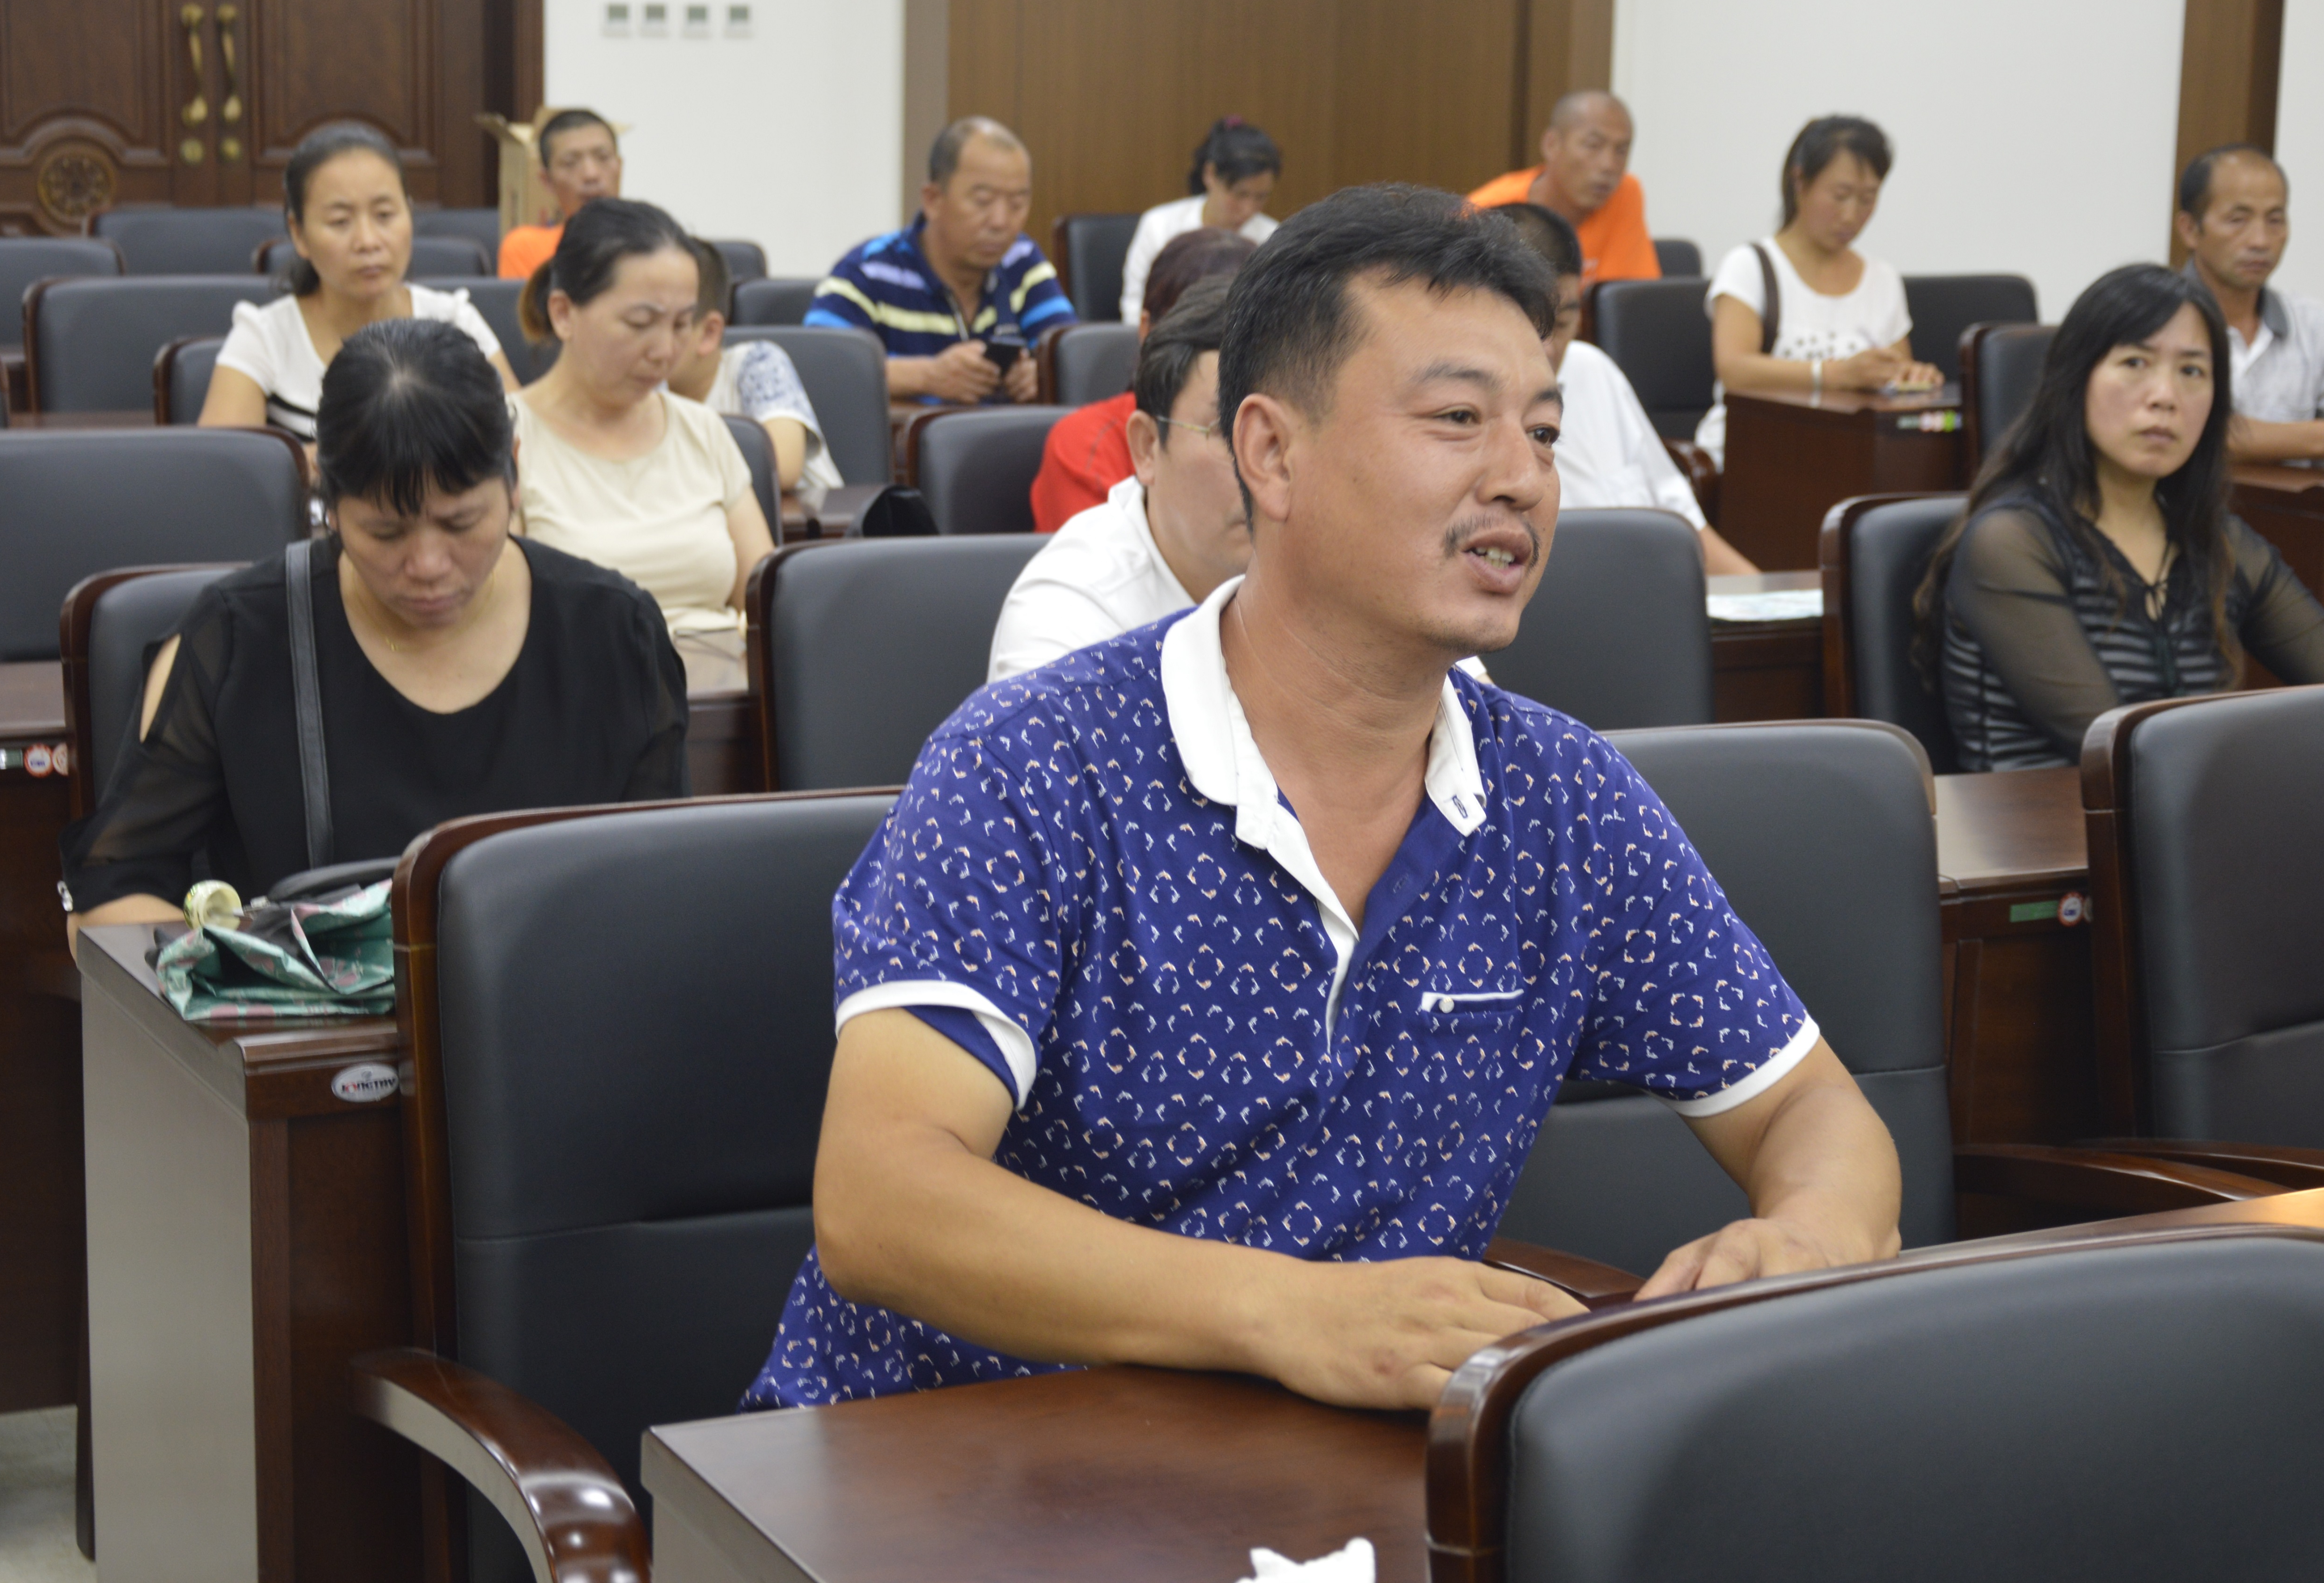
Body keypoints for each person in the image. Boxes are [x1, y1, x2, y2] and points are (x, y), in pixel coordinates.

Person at [745, 184, 1901, 1413]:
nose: (1522, 478)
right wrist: (1291, 1311)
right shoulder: (1034, 763)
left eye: (1543, 430)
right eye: (1456, 419)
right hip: (939, 1461)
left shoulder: (1563, 800)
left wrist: (1809, 1231)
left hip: (1322, 1474)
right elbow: (883, 1202)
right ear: (1271, 453)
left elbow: (1811, 1108)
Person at [62, 320, 686, 945]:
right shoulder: (238, 641)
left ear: (515, 474)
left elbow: (662, 882)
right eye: (386, 532)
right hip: (306, 1008)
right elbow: (113, 893)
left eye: (461, 522)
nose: (428, 565)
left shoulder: (615, 635)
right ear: (329, 503)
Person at [1918, 263, 2324, 773]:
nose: (2165, 397)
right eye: (2135, 363)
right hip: (2045, 823)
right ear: (2075, 378)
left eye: (2192, 372)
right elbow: (2123, 752)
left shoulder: (2217, 541)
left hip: (2196, 811)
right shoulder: (2010, 542)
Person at [509, 199, 773, 688]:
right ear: (563, 314)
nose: (665, 351)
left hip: (718, 700)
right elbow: (500, 624)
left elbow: (767, 606)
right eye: (639, 324)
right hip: (578, 698)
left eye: (681, 324)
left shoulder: (704, 430)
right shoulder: (506, 440)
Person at [991, 277, 1242, 680]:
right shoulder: (1068, 615)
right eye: (1227, 431)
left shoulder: (1324, 571)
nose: (1266, 470)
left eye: (1282, 436)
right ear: (1147, 447)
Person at [201, 123, 517, 443]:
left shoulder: (454, 321)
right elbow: (227, 464)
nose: (368, 241)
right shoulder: (265, 337)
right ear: (298, 233)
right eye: (340, 222)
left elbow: (517, 441)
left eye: (385, 215)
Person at [1489, 202, 1757, 574]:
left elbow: (1681, 518)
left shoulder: (1592, 369)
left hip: (1655, 588)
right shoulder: (1462, 419)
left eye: (1563, 323)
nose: (1548, 349)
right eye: (1532, 325)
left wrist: (1762, 590)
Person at [1696, 115, 1939, 469]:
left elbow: (1893, 375)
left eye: (1868, 198)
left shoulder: (1882, 279)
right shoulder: (1750, 266)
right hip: (1755, 452)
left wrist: (1913, 378)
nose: (1851, 215)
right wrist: (1835, 375)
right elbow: (1734, 369)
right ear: (1800, 181)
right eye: (1840, 196)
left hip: (1850, 455)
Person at [2174, 144, 2324, 466]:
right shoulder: (2159, 319)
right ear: (2190, 230)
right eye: (2237, 220)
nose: (2260, 241)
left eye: (2275, 220)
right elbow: (2191, 429)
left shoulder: (2312, 323)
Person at [808, 117, 1075, 406]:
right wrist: (926, 376)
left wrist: (1040, 374)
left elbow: (1075, 360)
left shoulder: (1021, 261)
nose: (1001, 221)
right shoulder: (870, 271)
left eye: (1017, 204)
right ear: (933, 200)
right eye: (983, 201)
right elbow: (817, 370)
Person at [1030, 226, 1257, 532]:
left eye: (1248, 330)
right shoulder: (1084, 445)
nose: (1228, 354)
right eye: (1203, 331)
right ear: (1147, 331)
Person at [670, 238, 844, 524]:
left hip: (812, 534)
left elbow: (780, 466)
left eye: (672, 325)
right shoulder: (645, 391)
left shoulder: (758, 363)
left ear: (709, 333)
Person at [1467, 91, 1660, 284]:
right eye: (1593, 145)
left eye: (1622, 151)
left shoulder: (1624, 192)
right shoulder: (1484, 212)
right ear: (1551, 145)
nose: (1609, 165)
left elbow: (1630, 296)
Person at [1118, 117, 1282, 324]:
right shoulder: (1159, 226)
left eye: (1261, 197)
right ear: (1210, 174)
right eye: (1240, 195)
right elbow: (1135, 308)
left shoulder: (1273, 237)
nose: (1249, 209)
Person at [496, 109, 623, 283]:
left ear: (619, 167)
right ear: (547, 180)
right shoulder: (526, 248)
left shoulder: (651, 240)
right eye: (570, 163)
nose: (591, 174)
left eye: (603, 158)